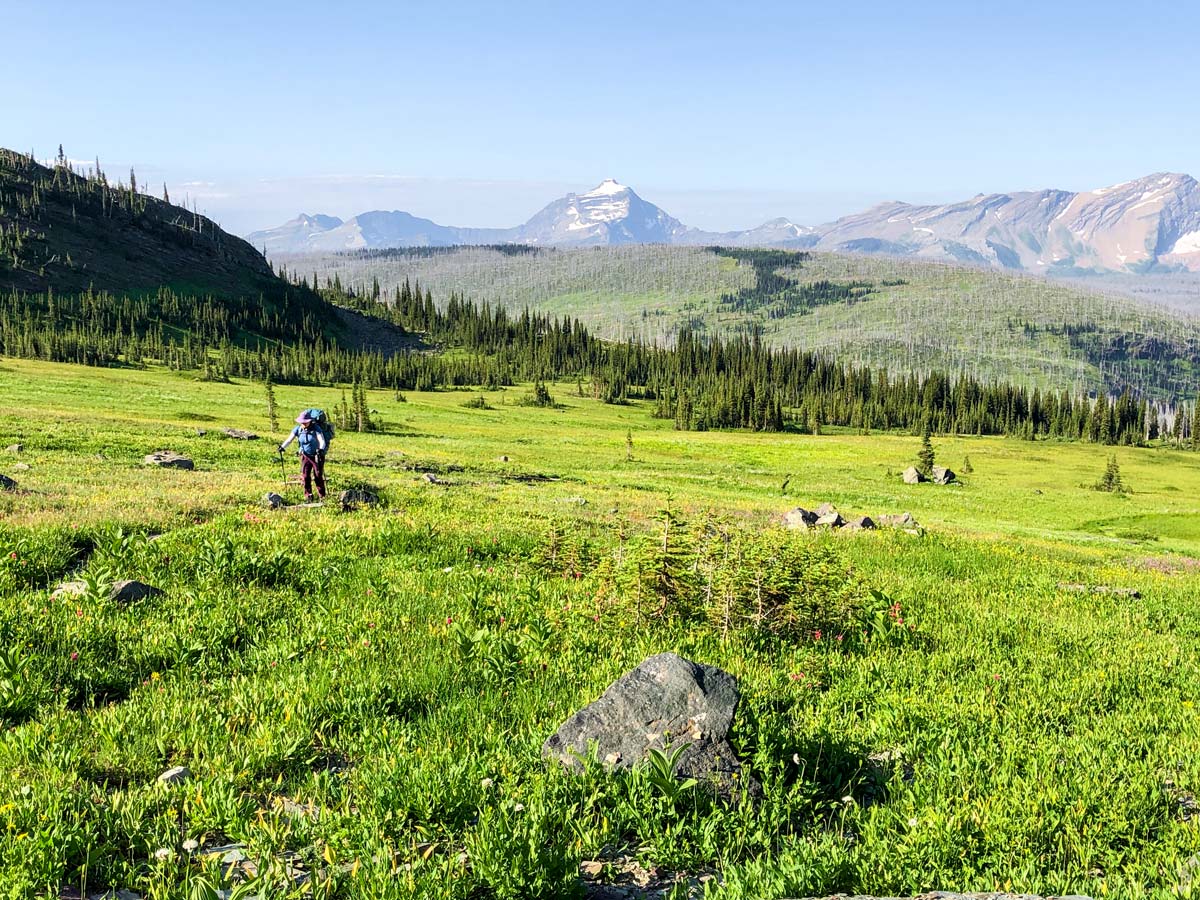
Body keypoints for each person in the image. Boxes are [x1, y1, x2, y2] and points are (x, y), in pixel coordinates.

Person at [279, 412, 328, 501]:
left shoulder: (316, 428)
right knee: (305, 476)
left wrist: (321, 449)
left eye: (305, 422)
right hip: (305, 455)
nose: (303, 423)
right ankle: (308, 495)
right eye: (302, 422)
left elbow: (322, 440)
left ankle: (322, 496)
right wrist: (282, 447)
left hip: (317, 456)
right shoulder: (298, 430)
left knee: (318, 475)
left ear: (310, 421)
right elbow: (290, 439)